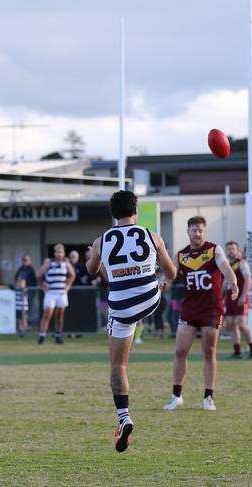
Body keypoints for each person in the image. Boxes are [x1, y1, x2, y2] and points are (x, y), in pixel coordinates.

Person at [86, 190, 176, 453]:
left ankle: (124, 418)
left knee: (118, 366)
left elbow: (92, 271)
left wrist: (94, 255)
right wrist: (164, 283)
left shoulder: (101, 240)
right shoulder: (152, 236)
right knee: (153, 288)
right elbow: (171, 272)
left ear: (113, 214)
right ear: (135, 211)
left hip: (122, 307)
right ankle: (147, 310)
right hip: (150, 298)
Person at [162, 216, 239, 412]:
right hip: (190, 307)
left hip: (211, 309)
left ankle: (208, 397)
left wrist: (233, 282)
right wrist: (163, 284)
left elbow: (226, 268)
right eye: (194, 230)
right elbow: (170, 274)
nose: (197, 233)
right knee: (180, 350)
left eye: (200, 230)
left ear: (205, 232)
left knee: (209, 352)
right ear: (188, 232)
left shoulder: (214, 250)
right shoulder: (181, 255)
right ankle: (176, 395)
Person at [224, 241, 252, 358]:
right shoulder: (227, 265)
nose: (230, 251)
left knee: (241, 323)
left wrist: (243, 296)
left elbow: (248, 280)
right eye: (228, 249)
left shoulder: (242, 263)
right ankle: (237, 351)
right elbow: (225, 282)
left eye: (233, 249)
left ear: (237, 251)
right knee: (231, 324)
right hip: (230, 298)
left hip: (240, 297)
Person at [36, 244, 75, 345]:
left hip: (61, 292)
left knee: (60, 315)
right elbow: (38, 274)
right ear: (54, 253)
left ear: (63, 253)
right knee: (47, 314)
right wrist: (42, 284)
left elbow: (72, 275)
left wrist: (68, 286)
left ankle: (58, 336)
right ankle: (42, 336)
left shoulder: (66, 263)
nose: (59, 254)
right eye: (57, 252)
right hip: (51, 292)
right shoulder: (49, 262)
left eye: (61, 252)